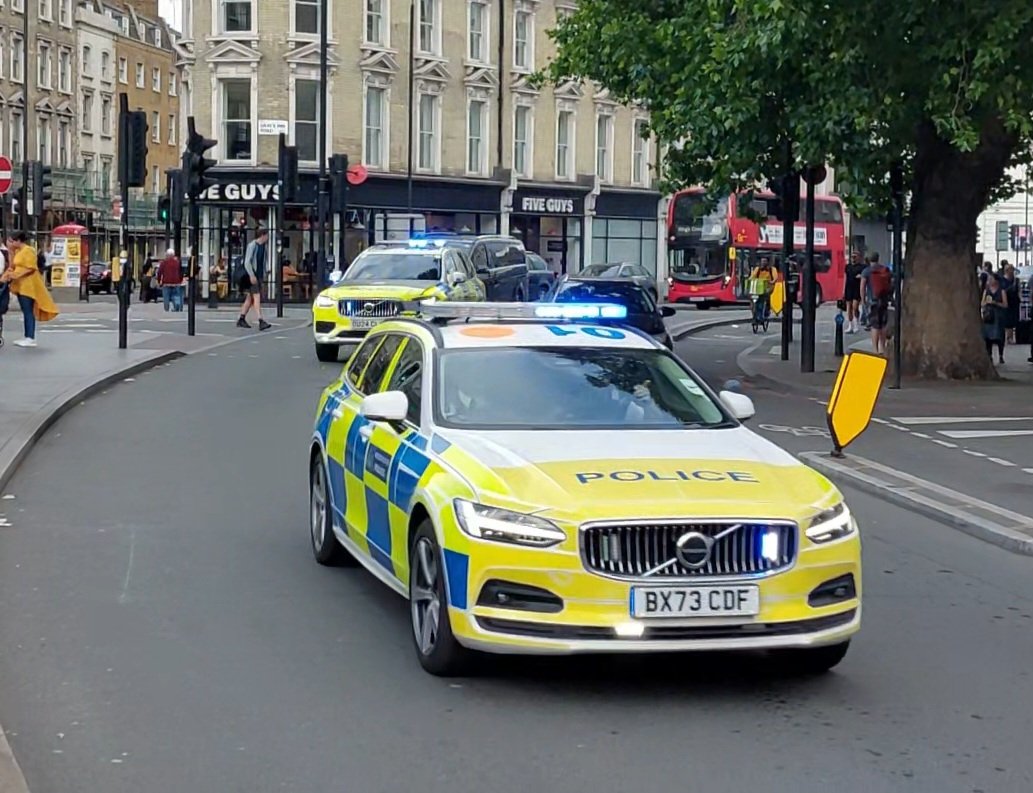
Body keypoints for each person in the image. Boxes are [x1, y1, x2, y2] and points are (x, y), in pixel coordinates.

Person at [0, 232, 59, 348]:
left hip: (29, 285)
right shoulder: (18, 251)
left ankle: (30, 337)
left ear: (18, 241)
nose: (10, 243)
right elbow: (13, 265)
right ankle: (27, 336)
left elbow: (31, 268)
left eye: (12, 241)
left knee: (28, 310)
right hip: (20, 285)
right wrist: (11, 252)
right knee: (25, 309)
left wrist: (16, 275)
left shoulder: (29, 250)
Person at [237, 226, 271, 331]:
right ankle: (261, 320)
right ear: (262, 235)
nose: (268, 237)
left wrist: (266, 271)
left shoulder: (263, 246)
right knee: (257, 297)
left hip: (259, 276)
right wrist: (251, 275)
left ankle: (241, 319)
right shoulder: (252, 246)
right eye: (267, 235)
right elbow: (247, 262)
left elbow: (263, 261)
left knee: (250, 298)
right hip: (253, 276)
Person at [861, 252, 892, 355]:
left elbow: (862, 287)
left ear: (869, 259)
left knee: (875, 325)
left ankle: (875, 349)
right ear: (878, 258)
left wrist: (863, 299)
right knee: (883, 325)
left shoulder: (867, 271)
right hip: (883, 300)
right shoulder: (884, 269)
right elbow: (890, 284)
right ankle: (882, 347)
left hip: (873, 301)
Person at [981, 272, 1008, 364]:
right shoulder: (986, 290)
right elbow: (982, 303)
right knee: (988, 336)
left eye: (991, 279)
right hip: (989, 315)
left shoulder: (1002, 291)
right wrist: (987, 303)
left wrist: (996, 303)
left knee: (999, 336)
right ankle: (990, 355)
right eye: (989, 279)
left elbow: (1005, 304)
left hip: (998, 315)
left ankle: (1001, 355)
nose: (989, 281)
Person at [747, 256, 778, 325]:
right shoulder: (757, 269)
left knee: (763, 299)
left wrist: (772, 281)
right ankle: (755, 315)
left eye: (765, 261)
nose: (763, 263)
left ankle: (764, 314)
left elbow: (775, 277)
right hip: (758, 288)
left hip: (768, 287)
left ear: (767, 262)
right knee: (753, 300)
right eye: (762, 261)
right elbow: (752, 276)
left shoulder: (772, 269)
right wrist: (749, 280)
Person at [844, 250, 865, 333]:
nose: (853, 259)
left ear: (859, 258)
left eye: (855, 257)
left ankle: (856, 323)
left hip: (857, 289)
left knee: (855, 307)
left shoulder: (862, 267)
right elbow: (845, 277)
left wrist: (861, 276)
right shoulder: (848, 267)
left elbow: (865, 276)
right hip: (848, 288)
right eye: (852, 257)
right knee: (848, 307)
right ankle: (850, 325)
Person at [157, 247, 184, 312]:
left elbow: (159, 272)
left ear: (167, 255)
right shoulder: (177, 262)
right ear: (173, 255)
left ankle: (166, 308)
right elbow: (181, 272)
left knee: (166, 297)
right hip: (176, 282)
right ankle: (177, 306)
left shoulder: (163, 263)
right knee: (176, 295)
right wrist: (180, 280)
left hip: (166, 282)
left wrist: (159, 281)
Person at [1000, 263, 1020, 345]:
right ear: (1006, 271)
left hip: (1014, 301)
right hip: (1006, 301)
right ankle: (1008, 337)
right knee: (1007, 320)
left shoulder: (1016, 280)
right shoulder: (1002, 280)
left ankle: (1011, 337)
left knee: (1013, 320)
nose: (1012, 272)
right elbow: (1002, 290)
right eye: (1010, 270)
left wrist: (1020, 297)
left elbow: (1018, 290)